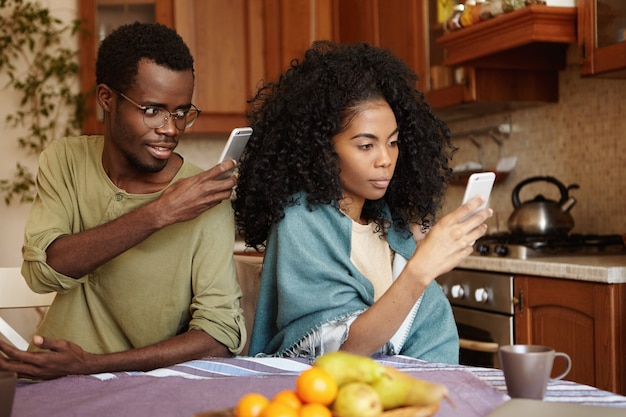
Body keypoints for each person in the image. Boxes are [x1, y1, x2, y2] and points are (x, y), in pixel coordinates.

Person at [0, 22, 246, 379]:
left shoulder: (204, 198)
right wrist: (160, 212)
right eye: (152, 110)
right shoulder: (66, 161)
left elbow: (218, 336)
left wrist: (92, 366)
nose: (170, 128)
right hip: (49, 380)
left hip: (142, 387)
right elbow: (44, 271)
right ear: (107, 99)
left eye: (181, 112)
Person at [233, 41, 492, 363]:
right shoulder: (300, 221)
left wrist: (422, 252)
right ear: (321, 149)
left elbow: (422, 327)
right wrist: (421, 268)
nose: (386, 159)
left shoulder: (392, 226)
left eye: (394, 142)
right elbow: (344, 350)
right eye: (366, 146)